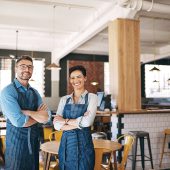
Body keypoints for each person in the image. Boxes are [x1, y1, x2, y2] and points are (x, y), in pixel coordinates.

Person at [0, 55, 51, 170]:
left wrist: (27, 112)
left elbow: (46, 117)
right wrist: (37, 115)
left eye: (30, 67)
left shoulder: (34, 92)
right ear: (16, 69)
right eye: (23, 66)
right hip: (16, 145)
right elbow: (19, 122)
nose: (27, 70)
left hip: (33, 144)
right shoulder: (8, 91)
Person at [53, 65, 98, 170]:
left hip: (84, 145)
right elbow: (56, 125)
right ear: (70, 80)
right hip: (67, 145)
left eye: (79, 77)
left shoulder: (92, 97)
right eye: (72, 78)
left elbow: (87, 123)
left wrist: (65, 121)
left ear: (85, 78)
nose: (75, 80)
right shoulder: (64, 99)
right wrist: (80, 122)